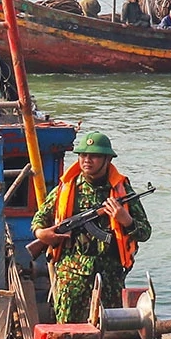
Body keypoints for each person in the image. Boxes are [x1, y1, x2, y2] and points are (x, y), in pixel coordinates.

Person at [28, 129, 151, 324]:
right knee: (68, 330)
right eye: (83, 155)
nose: (87, 160)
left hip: (110, 276)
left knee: (109, 330)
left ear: (107, 160)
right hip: (71, 275)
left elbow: (145, 232)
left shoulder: (121, 190)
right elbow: (39, 219)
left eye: (93, 156)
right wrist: (42, 234)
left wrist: (125, 219)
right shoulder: (67, 188)